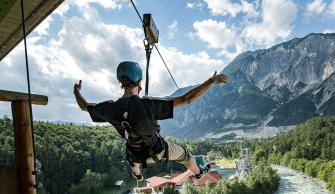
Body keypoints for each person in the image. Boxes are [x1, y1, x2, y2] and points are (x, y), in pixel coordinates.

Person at [73, 61, 228, 181]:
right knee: (186, 156)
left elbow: (84, 106)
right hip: (158, 151)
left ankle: (138, 173)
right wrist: (211, 81)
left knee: (133, 145)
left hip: (135, 154)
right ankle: (199, 173)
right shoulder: (148, 104)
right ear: (139, 81)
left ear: (121, 81)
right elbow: (186, 99)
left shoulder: (110, 108)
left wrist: (76, 91)